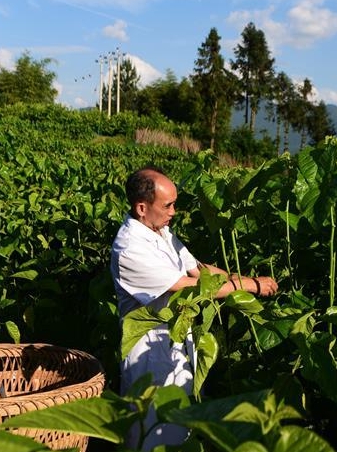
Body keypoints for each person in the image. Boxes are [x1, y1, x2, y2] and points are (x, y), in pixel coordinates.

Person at [110, 165, 278, 450]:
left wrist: (239, 277)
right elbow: (187, 285)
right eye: (168, 205)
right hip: (149, 354)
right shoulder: (130, 248)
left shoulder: (161, 231)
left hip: (175, 344)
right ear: (142, 208)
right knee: (150, 434)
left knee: (180, 430)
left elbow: (199, 269)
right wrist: (250, 286)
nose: (174, 211)